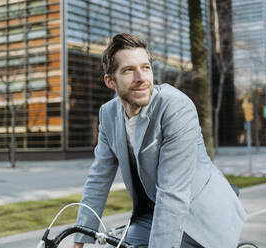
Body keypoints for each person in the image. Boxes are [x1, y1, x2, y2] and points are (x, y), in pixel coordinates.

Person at [73, 33, 246, 248]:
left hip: (204, 217)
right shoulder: (108, 114)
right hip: (155, 213)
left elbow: (172, 192)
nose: (141, 78)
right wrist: (80, 240)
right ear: (110, 80)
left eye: (146, 67)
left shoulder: (176, 107)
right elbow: (98, 178)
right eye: (128, 70)